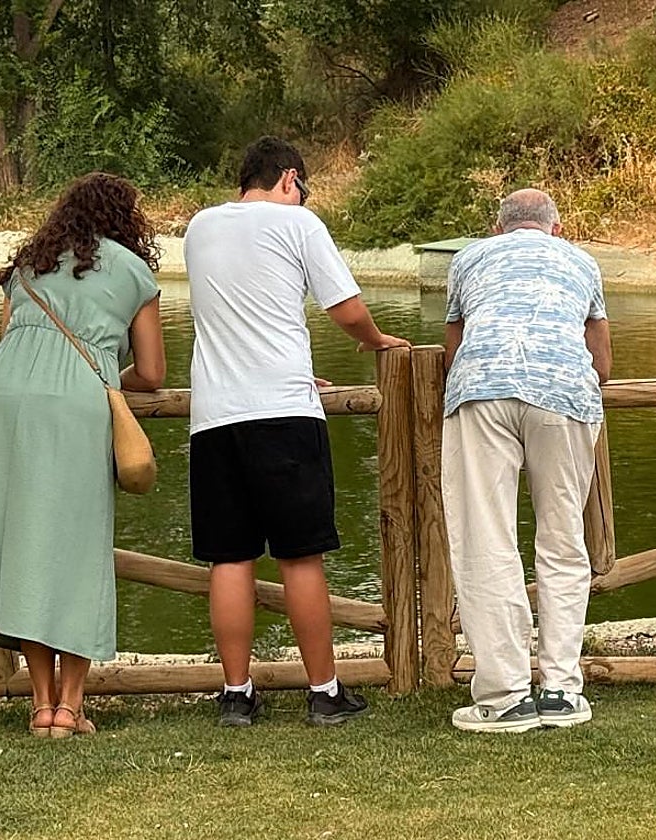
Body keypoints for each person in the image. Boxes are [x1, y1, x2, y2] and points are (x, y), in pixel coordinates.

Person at [0, 172, 165, 737]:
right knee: (75, 547)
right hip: (75, 402)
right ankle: (70, 707)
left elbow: (10, 336)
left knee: (25, 542)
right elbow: (153, 373)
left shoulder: (30, 263)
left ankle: (40, 704)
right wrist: (105, 373)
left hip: (4, 397)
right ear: (126, 219)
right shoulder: (133, 271)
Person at [183, 136, 409, 727]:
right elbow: (346, 307)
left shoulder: (199, 228)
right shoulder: (300, 225)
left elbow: (241, 311)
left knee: (229, 560)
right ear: (289, 180)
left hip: (214, 416)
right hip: (283, 411)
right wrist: (375, 341)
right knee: (300, 558)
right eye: (301, 189)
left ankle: (237, 695)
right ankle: (324, 691)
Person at [442, 188, 612, 733]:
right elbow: (602, 361)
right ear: (555, 229)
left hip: (482, 393)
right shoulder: (582, 262)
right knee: (562, 541)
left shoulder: (469, 258)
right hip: (564, 396)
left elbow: (453, 349)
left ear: (498, 228)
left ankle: (505, 695)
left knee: (487, 539)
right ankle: (561, 689)